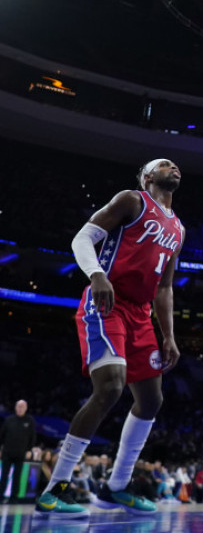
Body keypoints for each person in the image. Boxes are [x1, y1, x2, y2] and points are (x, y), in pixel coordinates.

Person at [36, 159, 183, 519]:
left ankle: (116, 486)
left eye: (175, 165)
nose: (173, 167)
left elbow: (164, 287)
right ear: (148, 177)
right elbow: (82, 238)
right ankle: (55, 489)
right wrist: (96, 274)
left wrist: (168, 334)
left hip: (141, 314)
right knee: (111, 387)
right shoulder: (132, 200)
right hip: (108, 303)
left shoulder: (179, 228)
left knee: (151, 400)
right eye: (165, 164)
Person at [0, 400, 36, 503]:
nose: (20, 408)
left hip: (21, 453)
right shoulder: (9, 420)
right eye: (19, 406)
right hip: (7, 452)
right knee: (4, 475)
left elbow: (32, 437)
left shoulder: (29, 420)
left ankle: (14, 498)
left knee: (17, 476)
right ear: (15, 407)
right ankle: (1, 496)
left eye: (22, 406)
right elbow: (2, 435)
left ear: (26, 408)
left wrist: (29, 450)